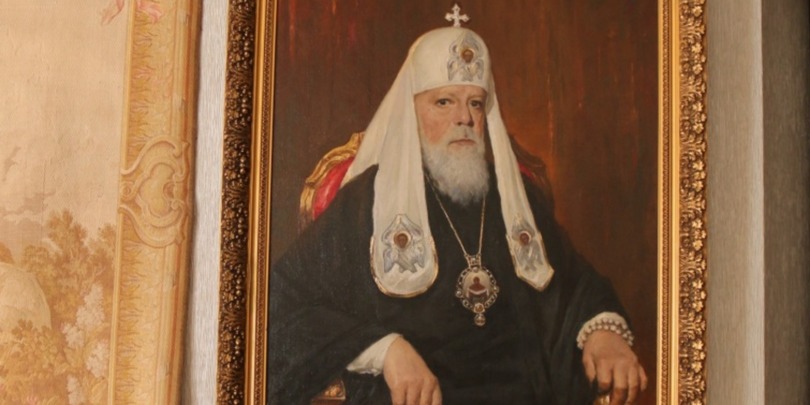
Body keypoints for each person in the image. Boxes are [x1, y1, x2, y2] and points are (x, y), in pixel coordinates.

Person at [267, 23, 647, 405]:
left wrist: (603, 332)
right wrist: (385, 350)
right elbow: (282, 304)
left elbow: (575, 284)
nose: (464, 118)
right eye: (444, 102)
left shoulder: (515, 196)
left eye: (476, 103)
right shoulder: (367, 201)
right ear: (411, 112)